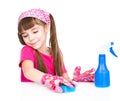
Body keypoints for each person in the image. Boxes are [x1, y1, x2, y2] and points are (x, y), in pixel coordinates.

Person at [17, 8, 76, 93]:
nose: (30, 38)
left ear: (46, 27)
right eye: (25, 35)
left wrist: (76, 79)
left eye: (35, 31)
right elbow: (28, 71)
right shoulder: (27, 50)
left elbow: (65, 78)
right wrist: (49, 79)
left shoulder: (56, 53)